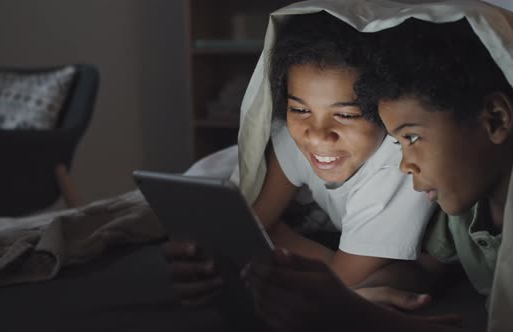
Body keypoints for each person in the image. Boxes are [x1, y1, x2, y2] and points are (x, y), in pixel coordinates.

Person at [242, 1, 513, 332]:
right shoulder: (460, 208)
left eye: (412, 138)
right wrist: (368, 296)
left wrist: (358, 315)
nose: (405, 165)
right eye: (399, 142)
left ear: (495, 119)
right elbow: (425, 268)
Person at [164, 10, 435, 309]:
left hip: (423, 255)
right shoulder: (292, 136)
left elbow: (339, 280)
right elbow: (254, 222)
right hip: (341, 248)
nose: (317, 135)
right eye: (300, 110)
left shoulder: (397, 165)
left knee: (405, 275)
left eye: (345, 115)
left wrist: (276, 236)